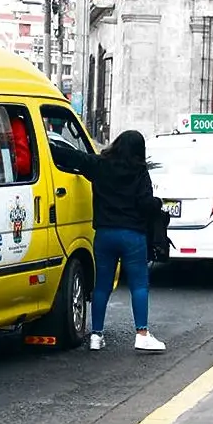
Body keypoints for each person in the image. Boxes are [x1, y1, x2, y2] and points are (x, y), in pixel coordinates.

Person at [48, 130, 166, 353]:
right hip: (133, 236)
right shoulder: (139, 172)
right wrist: (158, 203)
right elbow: (144, 204)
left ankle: (96, 335)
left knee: (101, 285)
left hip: (104, 235)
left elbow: (72, 157)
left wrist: (43, 144)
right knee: (139, 285)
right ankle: (142, 334)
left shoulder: (99, 165)